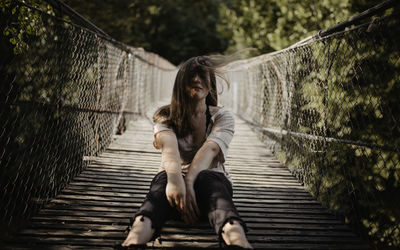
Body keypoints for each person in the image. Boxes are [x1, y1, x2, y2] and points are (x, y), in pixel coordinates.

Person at [117, 56, 252, 249]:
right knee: (162, 179)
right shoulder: (166, 117)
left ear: (210, 86)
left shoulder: (221, 117)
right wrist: (176, 181)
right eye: (191, 75)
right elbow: (169, 152)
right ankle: (132, 242)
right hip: (173, 190)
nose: (197, 79)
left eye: (202, 76)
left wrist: (189, 182)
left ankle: (239, 243)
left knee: (209, 178)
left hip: (209, 191)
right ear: (181, 83)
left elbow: (210, 149)